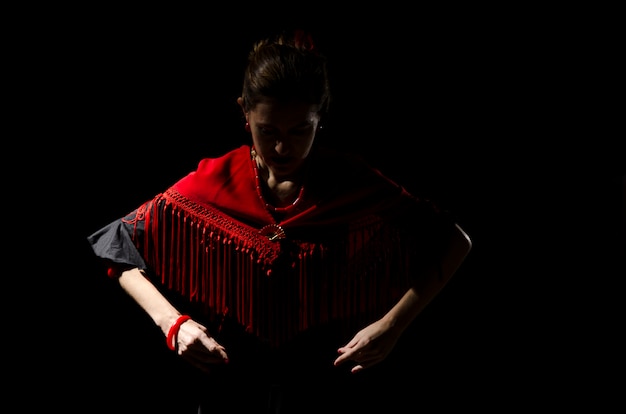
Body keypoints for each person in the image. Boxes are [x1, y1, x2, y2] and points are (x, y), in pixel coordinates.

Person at [87, 29, 472, 413]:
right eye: (267, 131)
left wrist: (392, 326)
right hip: (228, 389)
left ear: (320, 117)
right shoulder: (215, 181)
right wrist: (172, 323)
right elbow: (115, 243)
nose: (282, 148)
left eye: (300, 130)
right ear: (244, 111)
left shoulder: (353, 182)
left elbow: (454, 241)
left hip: (333, 386)